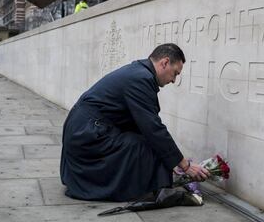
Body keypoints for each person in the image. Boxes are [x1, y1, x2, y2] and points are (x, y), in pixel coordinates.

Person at [60, 43, 210, 202]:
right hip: (87, 135)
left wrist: (173, 162)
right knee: (146, 145)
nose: (174, 80)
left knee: (149, 142)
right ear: (164, 63)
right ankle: (159, 190)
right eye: (175, 73)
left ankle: (156, 182)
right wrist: (185, 165)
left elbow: (146, 125)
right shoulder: (141, 78)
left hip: (85, 128)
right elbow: (154, 129)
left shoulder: (139, 72)